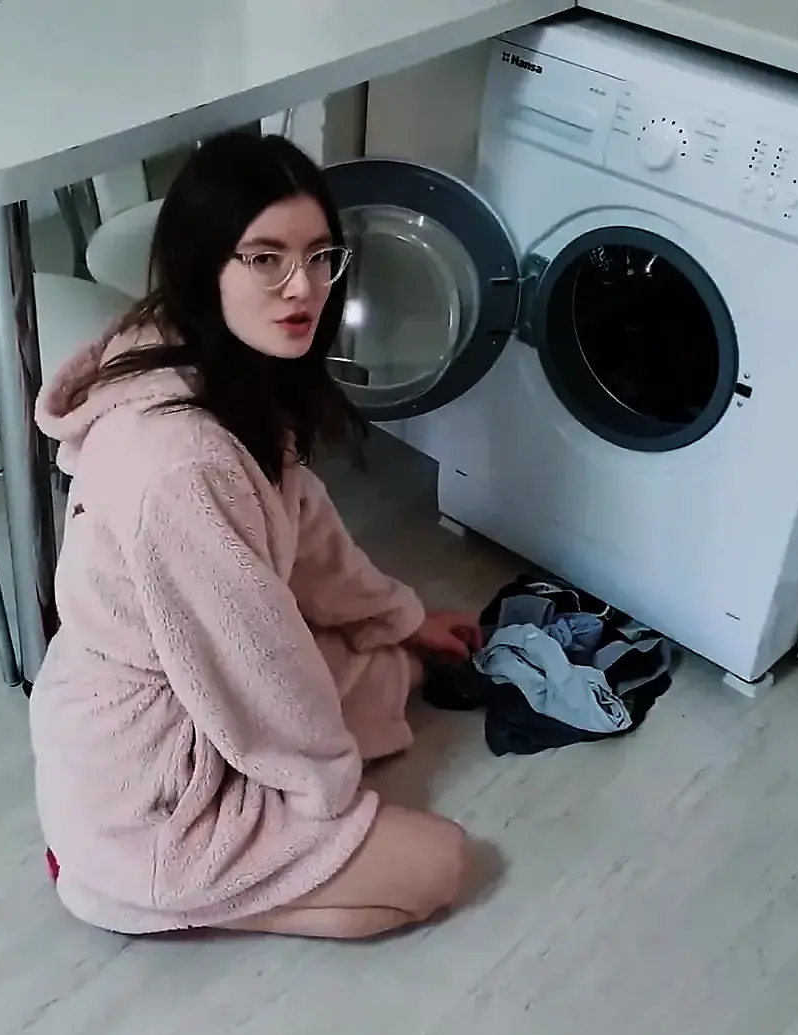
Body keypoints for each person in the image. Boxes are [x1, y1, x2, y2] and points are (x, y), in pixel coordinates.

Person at [26, 131, 482, 941]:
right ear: (206, 264)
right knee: (436, 864)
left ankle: (161, 871)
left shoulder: (211, 360)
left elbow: (305, 525)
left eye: (320, 257)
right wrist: (326, 796)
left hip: (163, 691)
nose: (302, 288)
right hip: (147, 787)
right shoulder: (180, 466)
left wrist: (402, 620)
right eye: (265, 259)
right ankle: (133, 891)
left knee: (392, 673)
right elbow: (258, 659)